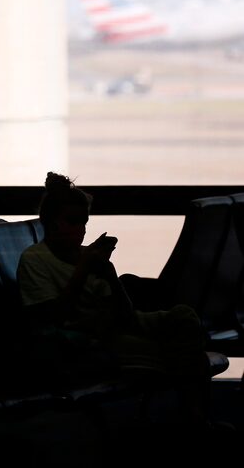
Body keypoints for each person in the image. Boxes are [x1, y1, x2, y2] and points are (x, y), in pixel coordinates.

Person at [17, 172, 215, 428]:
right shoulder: (35, 260)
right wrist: (83, 270)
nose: (80, 229)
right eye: (73, 221)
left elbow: (126, 314)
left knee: (184, 316)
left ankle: (192, 418)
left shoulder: (88, 257)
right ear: (52, 223)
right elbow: (53, 316)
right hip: (91, 341)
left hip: (118, 327)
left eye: (84, 222)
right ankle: (195, 420)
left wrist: (110, 275)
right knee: (182, 353)